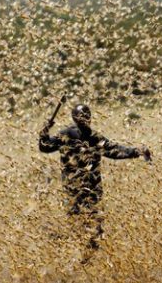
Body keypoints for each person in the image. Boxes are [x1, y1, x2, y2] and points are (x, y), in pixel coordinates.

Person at [39, 103, 151, 252]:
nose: (84, 119)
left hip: (92, 189)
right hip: (74, 189)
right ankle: (73, 252)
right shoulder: (67, 134)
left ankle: (86, 255)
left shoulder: (95, 137)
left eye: (86, 116)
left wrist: (136, 151)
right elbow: (45, 146)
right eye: (82, 116)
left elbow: (114, 150)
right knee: (78, 224)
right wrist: (44, 132)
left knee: (94, 227)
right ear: (75, 118)